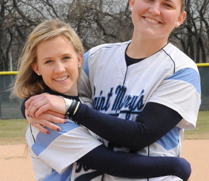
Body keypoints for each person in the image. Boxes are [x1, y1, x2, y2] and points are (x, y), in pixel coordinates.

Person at [23, 0, 201, 181]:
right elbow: (57, 87)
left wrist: (70, 108)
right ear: (132, 1)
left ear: (180, 18)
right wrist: (30, 108)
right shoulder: (97, 58)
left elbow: (140, 135)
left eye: (167, 4)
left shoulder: (182, 71)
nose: (155, 10)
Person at [13, 18, 191, 181]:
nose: (59, 69)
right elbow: (112, 163)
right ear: (37, 68)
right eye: (48, 61)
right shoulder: (49, 122)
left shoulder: (87, 102)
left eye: (65, 58)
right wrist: (175, 166)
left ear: (79, 59)